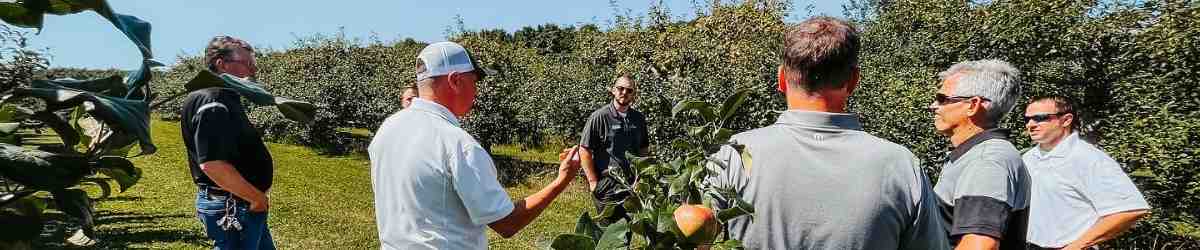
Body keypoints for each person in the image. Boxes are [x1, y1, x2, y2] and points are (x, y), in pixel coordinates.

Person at [704, 16, 949, 250]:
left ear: (781, 78)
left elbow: (695, 236)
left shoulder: (732, 154)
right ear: (853, 81)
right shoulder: (901, 165)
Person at [368, 41, 582, 249]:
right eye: (474, 80)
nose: (476, 90)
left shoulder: (388, 129)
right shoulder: (457, 144)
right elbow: (507, 223)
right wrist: (561, 180)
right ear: (455, 80)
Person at [181, 35, 276, 249]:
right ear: (221, 64)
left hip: (239, 202)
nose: (253, 71)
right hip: (234, 206)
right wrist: (256, 199)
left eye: (254, 64)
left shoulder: (219, 97)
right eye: (246, 64)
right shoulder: (213, 101)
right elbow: (213, 164)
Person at [1021, 95, 1150, 250]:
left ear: (1066, 120)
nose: (1031, 125)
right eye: (1027, 119)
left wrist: (1077, 246)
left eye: (1040, 118)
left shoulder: (1088, 159)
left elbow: (1131, 209)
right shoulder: (1028, 158)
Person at [927, 59, 1030, 250]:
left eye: (942, 99)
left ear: (972, 105)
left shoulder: (987, 161)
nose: (933, 106)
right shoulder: (977, 155)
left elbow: (980, 246)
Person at [577, 75, 650, 224]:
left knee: (627, 229)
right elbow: (584, 149)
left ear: (634, 94)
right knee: (609, 232)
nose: (624, 93)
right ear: (613, 90)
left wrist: (641, 177)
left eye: (629, 90)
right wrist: (592, 182)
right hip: (607, 184)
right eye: (620, 88)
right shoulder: (599, 117)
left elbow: (644, 149)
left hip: (631, 184)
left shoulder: (638, 119)